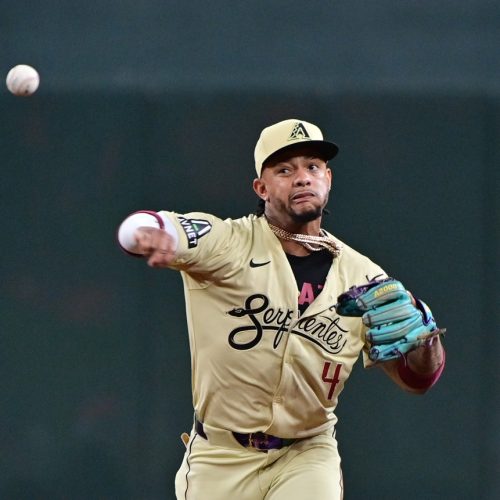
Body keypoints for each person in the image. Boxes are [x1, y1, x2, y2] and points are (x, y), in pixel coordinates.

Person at [117, 118, 446, 499]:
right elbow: (157, 225)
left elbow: (417, 380)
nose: (303, 178)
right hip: (222, 455)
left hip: (306, 453)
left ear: (329, 178)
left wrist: (426, 344)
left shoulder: (365, 276)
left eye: (312, 166)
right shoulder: (228, 244)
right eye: (285, 169)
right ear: (261, 187)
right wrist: (143, 233)